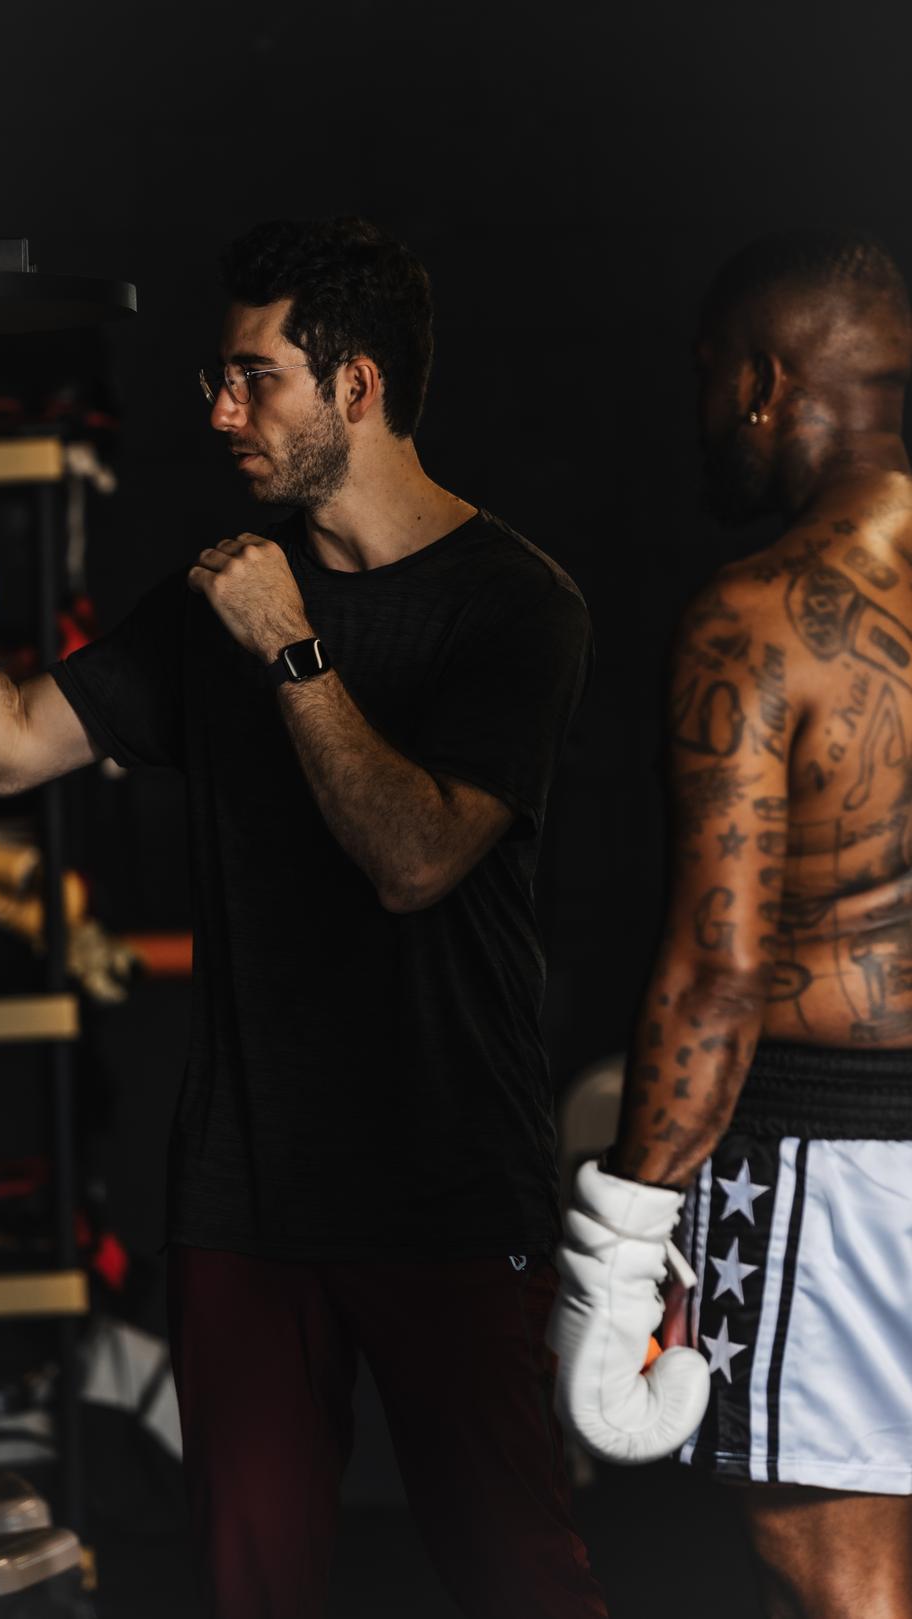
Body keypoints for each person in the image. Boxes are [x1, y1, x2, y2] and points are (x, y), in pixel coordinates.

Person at [0, 216, 606, 1619]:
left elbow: (418, 859)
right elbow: (1, 748)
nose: (219, 410)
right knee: (251, 1589)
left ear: (356, 387)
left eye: (253, 376)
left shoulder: (513, 605)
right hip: (245, 1196)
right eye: (214, 376)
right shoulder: (219, 594)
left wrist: (293, 652)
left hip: (445, 1178)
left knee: (520, 1580)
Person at [552, 227, 912, 1619]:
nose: (708, 418)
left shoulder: (759, 618)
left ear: (767, 379)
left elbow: (721, 970)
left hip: (841, 1156)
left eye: (713, 383)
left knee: (839, 1580)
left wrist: (621, 1247)